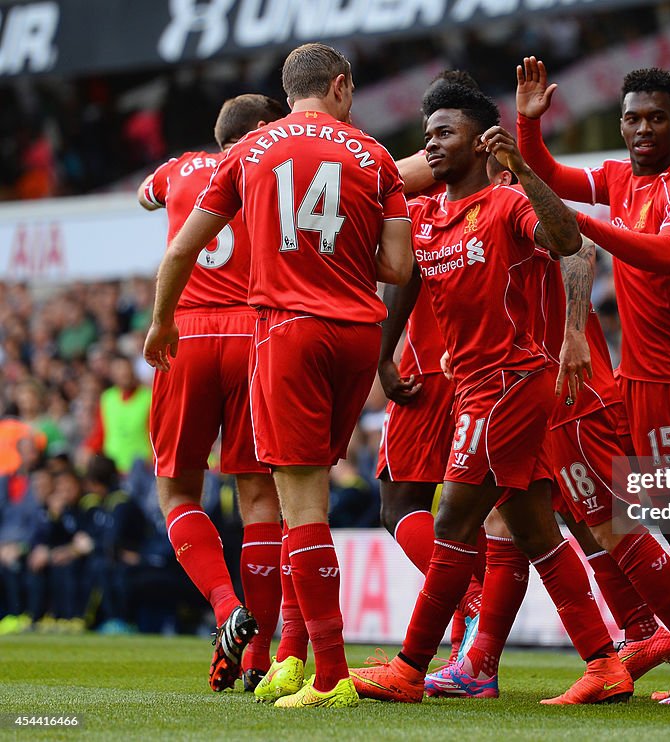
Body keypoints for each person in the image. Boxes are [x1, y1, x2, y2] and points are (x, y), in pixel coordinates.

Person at [144, 42, 412, 710]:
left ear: (291, 92)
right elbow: (399, 267)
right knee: (294, 502)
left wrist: (160, 323)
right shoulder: (373, 154)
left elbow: (179, 245)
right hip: (357, 334)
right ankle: (286, 656)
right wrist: (342, 255)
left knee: (301, 506)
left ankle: (330, 675)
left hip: (286, 331)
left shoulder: (248, 154)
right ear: (342, 86)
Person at [351, 81, 632, 706]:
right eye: (428, 135)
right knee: (533, 527)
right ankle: (605, 663)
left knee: (451, 519)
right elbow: (402, 280)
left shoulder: (508, 204)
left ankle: (409, 667)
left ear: (481, 144)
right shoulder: (424, 215)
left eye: (443, 134)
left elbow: (567, 241)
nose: (431, 145)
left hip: (509, 384)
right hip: (476, 384)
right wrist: (382, 352)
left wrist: (524, 168)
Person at [425, 222, 670, 702]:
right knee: (505, 520)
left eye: (447, 139)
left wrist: (572, 334)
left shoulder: (519, 198)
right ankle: (480, 665)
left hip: (574, 394)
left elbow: (579, 246)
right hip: (532, 392)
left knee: (613, 526)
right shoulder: (487, 214)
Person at [516, 57, 670, 666]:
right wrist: (529, 125)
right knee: (661, 522)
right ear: (620, 124)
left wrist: (582, 224)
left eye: (656, 119)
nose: (644, 129)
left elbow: (667, 254)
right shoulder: (620, 177)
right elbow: (549, 174)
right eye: (634, 118)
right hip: (639, 376)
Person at [138, 93, 286, 692]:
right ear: (257, 130)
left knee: (176, 490)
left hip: (188, 333)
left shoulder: (179, 168)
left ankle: (227, 609)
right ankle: (258, 661)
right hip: (255, 336)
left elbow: (144, 195)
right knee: (260, 502)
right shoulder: (276, 168)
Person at [377, 71, 486, 663]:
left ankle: (470, 605)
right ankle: (472, 640)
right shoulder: (502, 182)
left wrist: (384, 356)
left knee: (400, 504)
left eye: (440, 132)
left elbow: (406, 275)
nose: (433, 146)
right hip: (485, 370)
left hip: (431, 369)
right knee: (492, 516)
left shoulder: (431, 197)